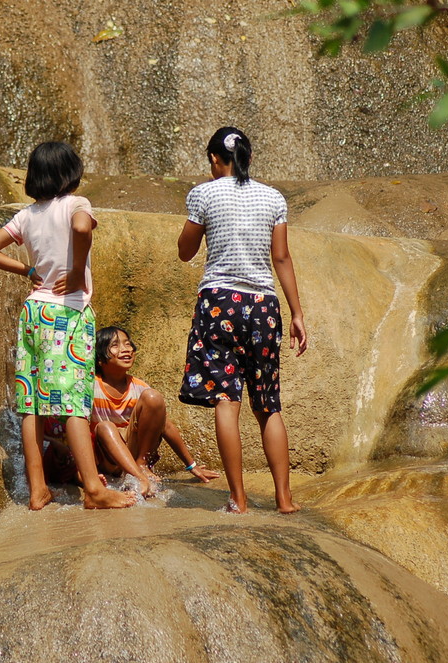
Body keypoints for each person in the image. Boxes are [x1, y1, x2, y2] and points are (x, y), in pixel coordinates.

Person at [0, 141, 137, 510]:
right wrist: (77, 271)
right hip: (67, 313)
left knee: (31, 404)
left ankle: (37, 490)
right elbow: (82, 228)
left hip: (33, 313)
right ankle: (94, 491)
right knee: (75, 404)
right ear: (71, 173)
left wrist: (29, 270)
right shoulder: (76, 205)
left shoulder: (27, 215)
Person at [176, 127, 307, 514]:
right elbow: (281, 258)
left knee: (226, 401)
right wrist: (297, 313)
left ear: (217, 160)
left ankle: (238, 499)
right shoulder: (273, 198)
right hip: (263, 307)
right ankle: (284, 500)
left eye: (211, 162)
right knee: (268, 404)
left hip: (219, 302)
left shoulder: (204, 193)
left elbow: (185, 251)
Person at [90, 326, 220, 490]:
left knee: (153, 397)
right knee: (105, 427)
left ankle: (141, 465)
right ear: (100, 359)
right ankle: (134, 472)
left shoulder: (139, 388)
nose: (125, 350)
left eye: (128, 344)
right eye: (115, 345)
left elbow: (165, 426)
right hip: (105, 458)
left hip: (132, 451)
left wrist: (191, 465)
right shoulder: (91, 386)